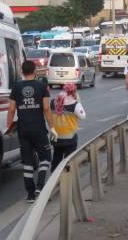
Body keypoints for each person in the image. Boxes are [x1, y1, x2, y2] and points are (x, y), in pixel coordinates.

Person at [7, 61, 56, 203]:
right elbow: (47, 108)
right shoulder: (42, 87)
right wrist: (52, 127)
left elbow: (11, 109)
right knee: (45, 158)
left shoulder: (16, 87)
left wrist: (8, 127)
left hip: (23, 130)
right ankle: (40, 186)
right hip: (39, 129)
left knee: (27, 162)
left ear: (22, 72)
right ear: (35, 71)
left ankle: (30, 194)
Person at [50, 83, 86, 171]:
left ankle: (54, 177)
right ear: (74, 91)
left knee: (56, 157)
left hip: (56, 137)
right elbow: (83, 116)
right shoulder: (75, 104)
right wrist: (78, 101)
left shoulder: (53, 102)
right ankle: (67, 176)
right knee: (69, 160)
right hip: (69, 138)